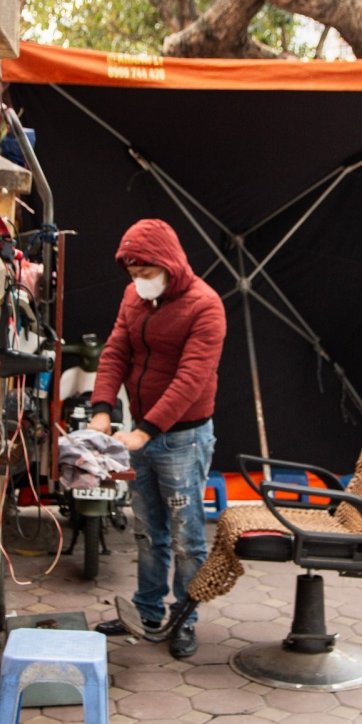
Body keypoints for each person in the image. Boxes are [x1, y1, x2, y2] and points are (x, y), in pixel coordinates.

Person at [88, 219, 226, 658]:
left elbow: (190, 379)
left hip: (183, 440)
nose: (139, 281)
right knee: (147, 531)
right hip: (138, 434)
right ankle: (147, 611)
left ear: (169, 264)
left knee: (187, 537)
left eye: (146, 273)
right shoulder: (133, 298)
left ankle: (184, 620)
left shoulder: (206, 306)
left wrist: (145, 431)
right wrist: (101, 409)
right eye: (133, 274)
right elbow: (116, 351)